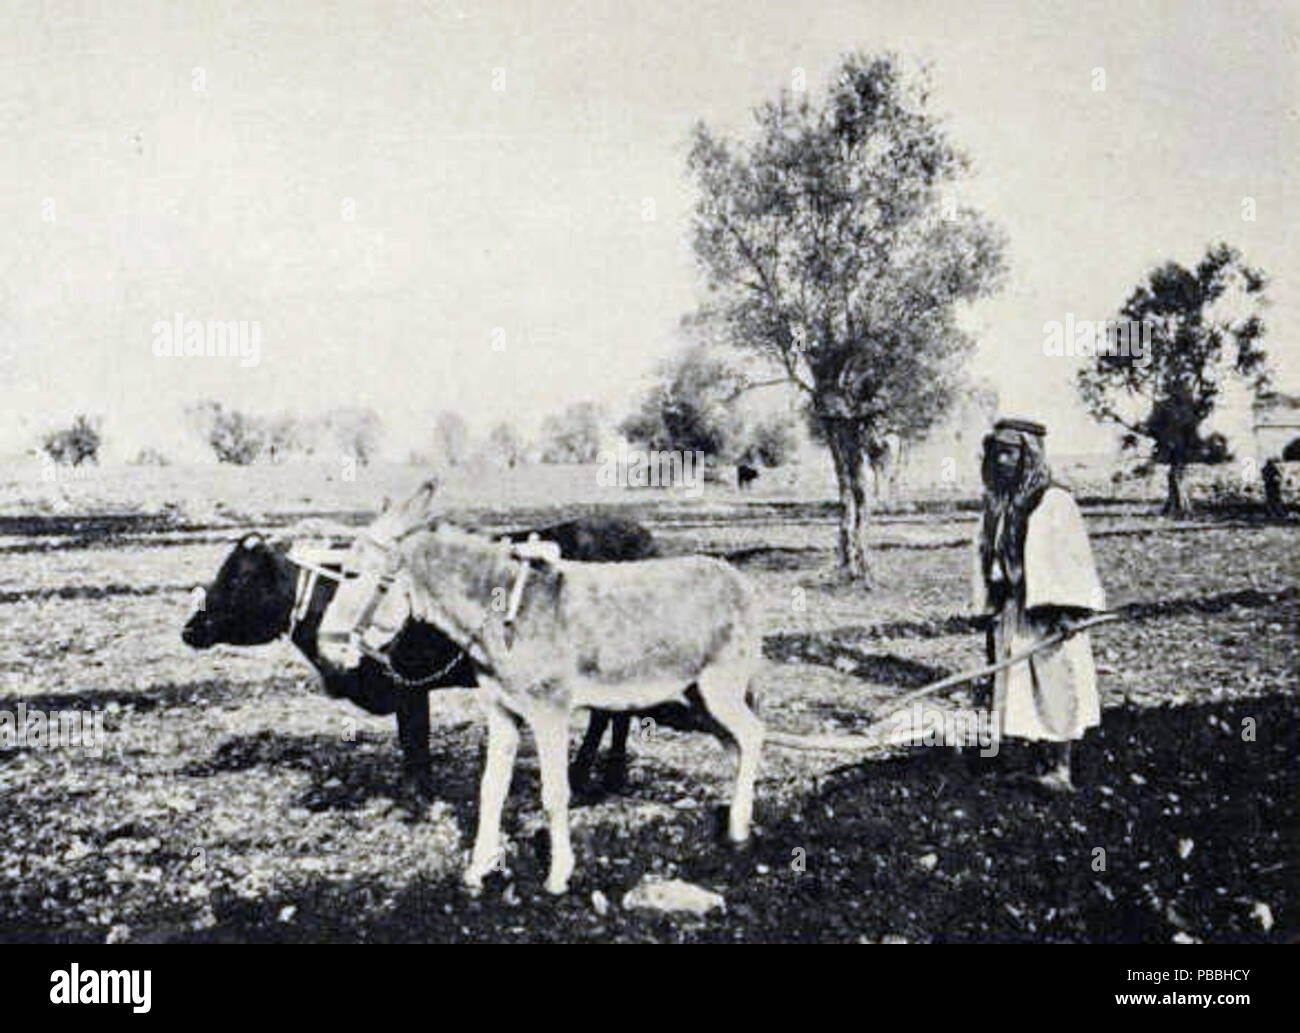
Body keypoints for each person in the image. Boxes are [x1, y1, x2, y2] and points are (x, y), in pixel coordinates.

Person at [971, 417, 1106, 792]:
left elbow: (1073, 558)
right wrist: (991, 604)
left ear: (1029, 455)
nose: (1002, 461)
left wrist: (1067, 611)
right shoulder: (998, 502)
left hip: (1050, 611)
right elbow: (989, 556)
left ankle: (1061, 768)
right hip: (1014, 609)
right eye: (997, 453)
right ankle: (1035, 763)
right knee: (1016, 686)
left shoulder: (1054, 502)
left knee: (1055, 682)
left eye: (1011, 453)